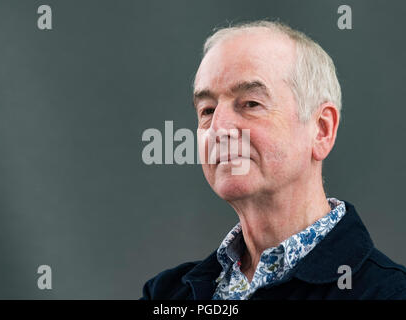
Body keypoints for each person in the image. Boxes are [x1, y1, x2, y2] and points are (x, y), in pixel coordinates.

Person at [140, 20, 406, 300]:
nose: (218, 129)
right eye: (207, 110)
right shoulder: (165, 294)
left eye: (251, 104)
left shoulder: (388, 294)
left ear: (321, 130)